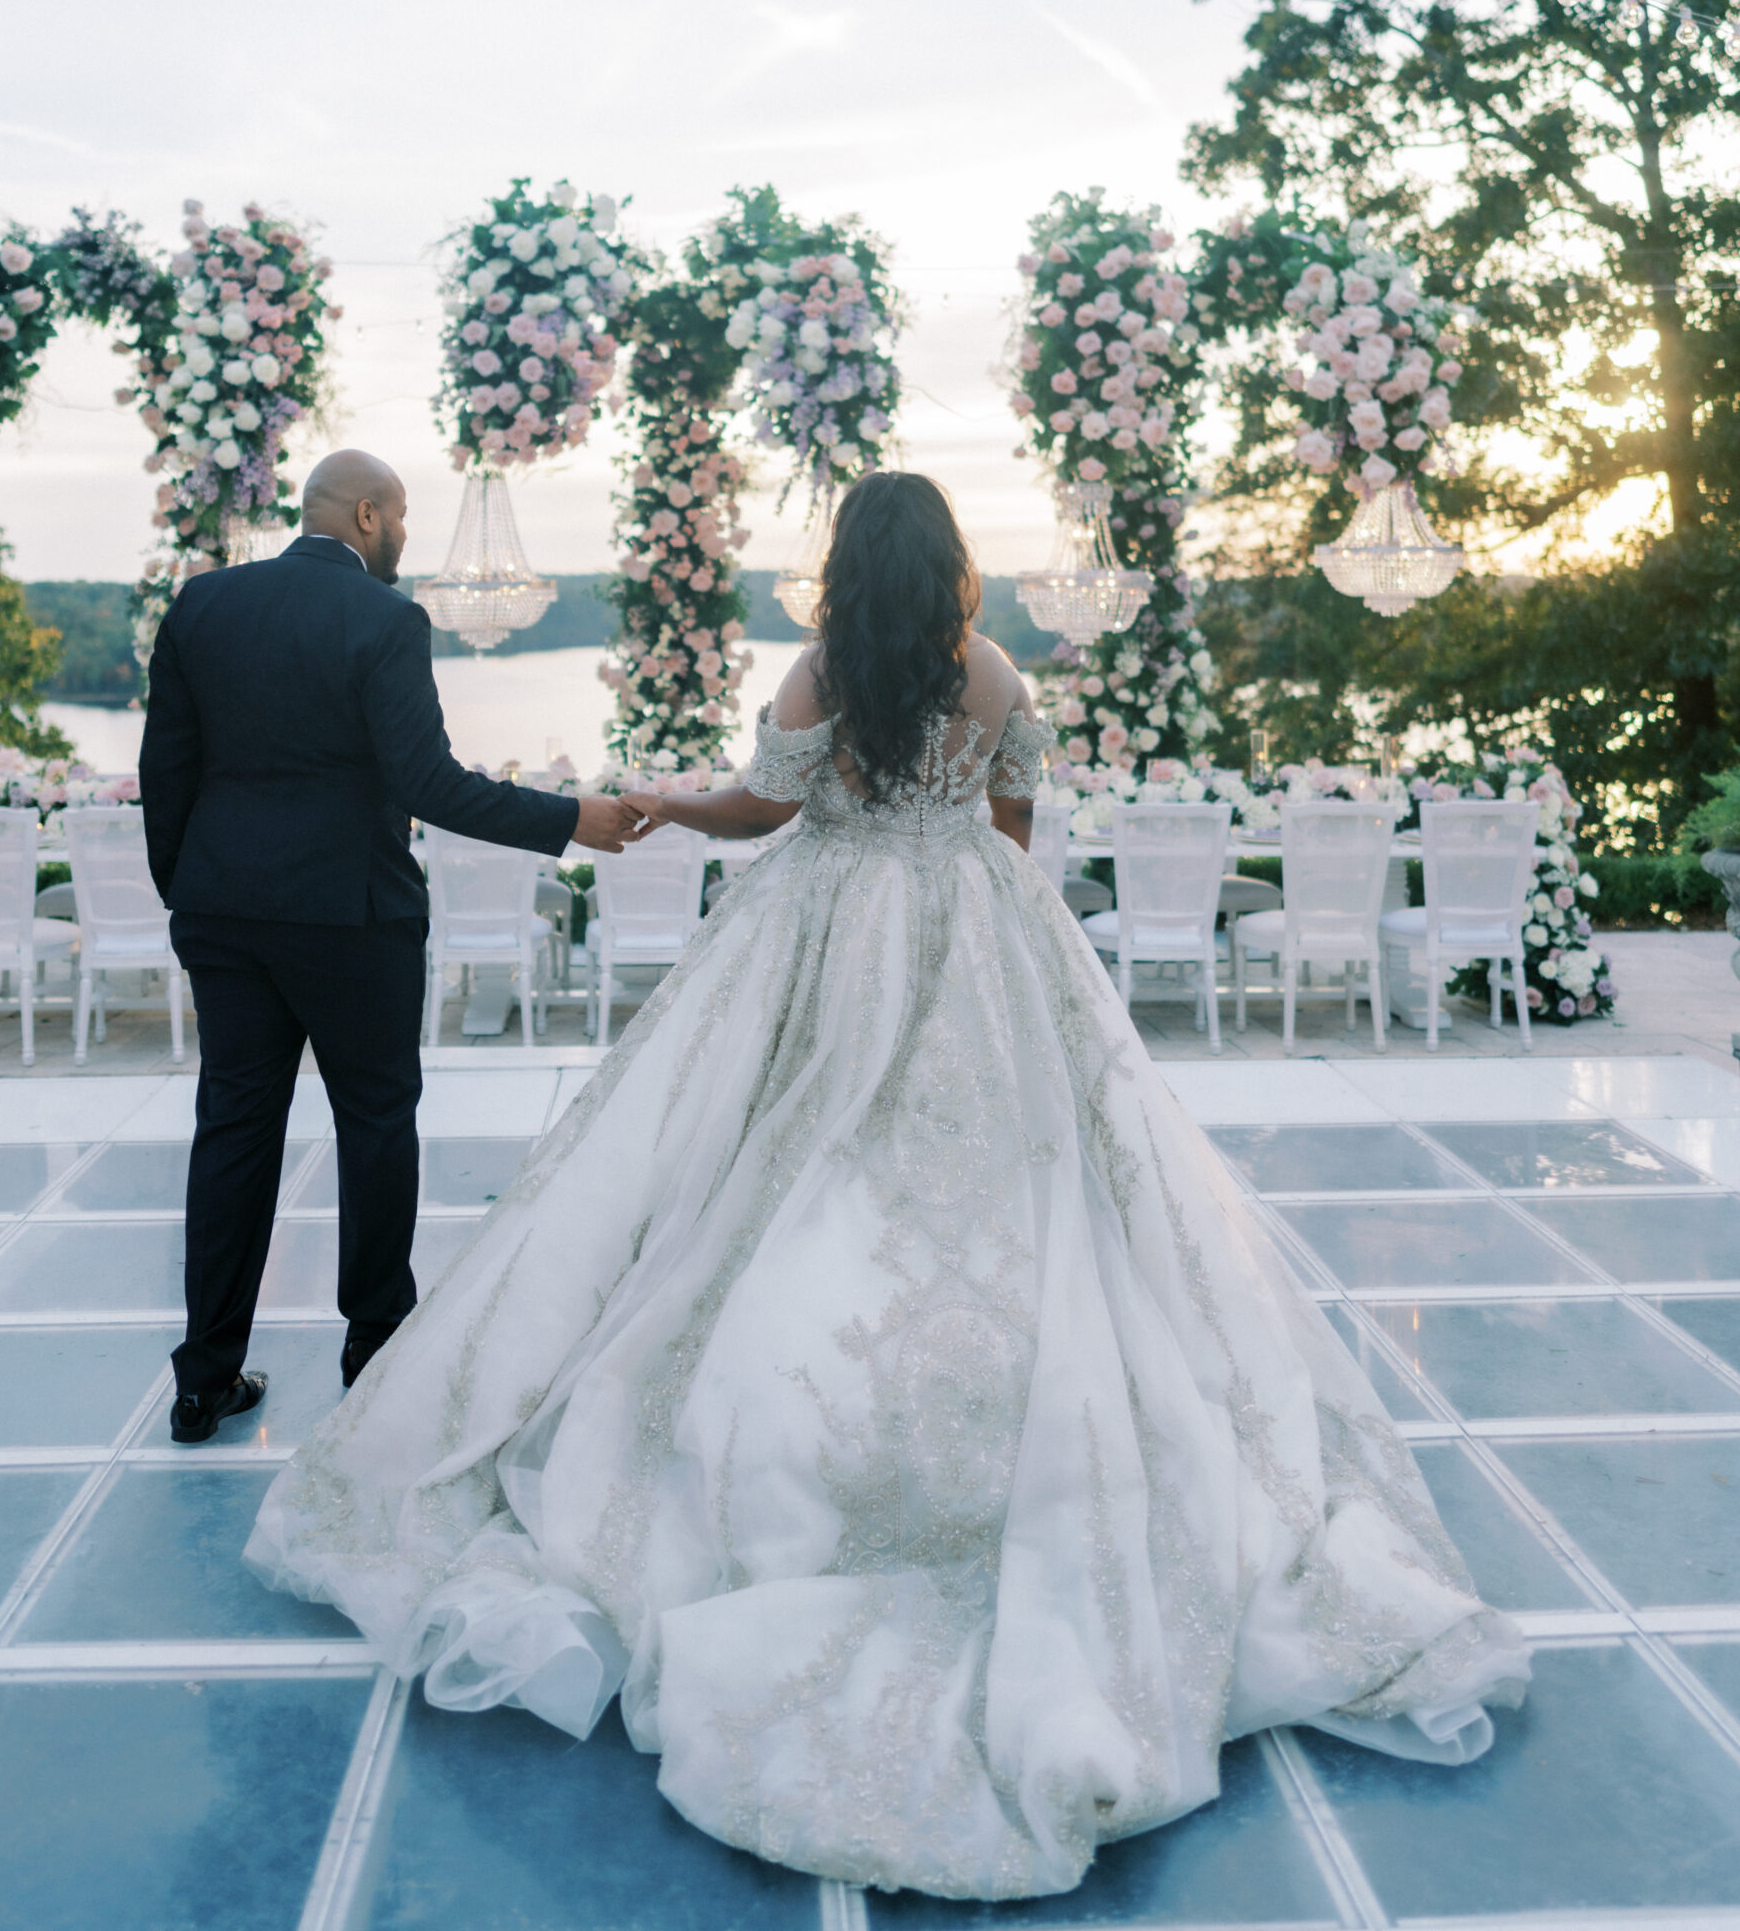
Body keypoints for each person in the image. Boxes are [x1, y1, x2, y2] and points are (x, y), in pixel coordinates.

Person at [247, 470, 1529, 1900]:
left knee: (779, 1159)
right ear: (955, 563)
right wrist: (963, 878)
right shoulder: (992, 671)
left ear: (852, 563)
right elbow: (1019, 829)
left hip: (832, 920)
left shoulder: (822, 670)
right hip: (981, 926)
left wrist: (674, 801)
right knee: (1025, 1175)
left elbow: (756, 814)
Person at [139, 447, 645, 1445]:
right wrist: (569, 818)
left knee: (234, 1128)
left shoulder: (201, 608)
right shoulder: (384, 619)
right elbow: (430, 783)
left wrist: (189, 892)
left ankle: (205, 1377)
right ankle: (374, 1351)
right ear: (368, 514)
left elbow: (169, 768)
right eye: (403, 517)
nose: (406, 538)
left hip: (225, 914)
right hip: (352, 915)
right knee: (375, 1121)